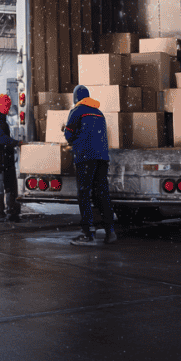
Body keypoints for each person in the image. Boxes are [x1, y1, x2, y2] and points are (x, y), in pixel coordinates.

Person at [63, 85, 117, 245]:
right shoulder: (99, 113)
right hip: (102, 158)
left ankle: (88, 233)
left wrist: (67, 132)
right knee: (102, 193)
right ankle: (110, 231)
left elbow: (68, 135)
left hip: (85, 157)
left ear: (76, 98)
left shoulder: (76, 111)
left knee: (84, 193)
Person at [0, 93, 21, 223]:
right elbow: (1, 139)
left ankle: (12, 212)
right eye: (6, 106)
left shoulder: (1, 121)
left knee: (10, 186)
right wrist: (15, 142)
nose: (8, 109)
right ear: (2, 106)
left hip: (3, 160)